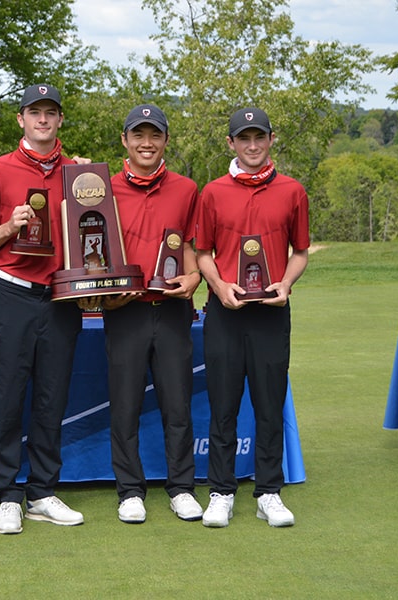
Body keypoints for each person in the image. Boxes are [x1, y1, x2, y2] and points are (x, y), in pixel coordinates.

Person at [0, 84, 90, 535]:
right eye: (34, 112)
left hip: (61, 298)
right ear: (20, 119)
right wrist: (10, 225)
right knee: (4, 398)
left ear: (60, 120)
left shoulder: (79, 174)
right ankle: (6, 494)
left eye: (51, 112)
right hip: (11, 293)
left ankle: (42, 491)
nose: (43, 120)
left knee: (51, 397)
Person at [196, 107, 309, 528]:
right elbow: (202, 253)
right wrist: (219, 286)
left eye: (259, 137)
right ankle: (222, 492)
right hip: (225, 312)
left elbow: (300, 252)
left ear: (271, 139)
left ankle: (269, 492)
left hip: (272, 313)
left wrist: (286, 283)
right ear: (231, 143)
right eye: (244, 138)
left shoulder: (293, 191)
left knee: (268, 405)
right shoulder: (213, 193)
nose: (253, 145)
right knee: (222, 407)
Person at [99, 104, 203, 524]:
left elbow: (195, 245)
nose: (147, 143)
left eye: (154, 135)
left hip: (174, 309)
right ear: (124, 140)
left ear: (165, 141)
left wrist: (195, 277)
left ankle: (181, 488)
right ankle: (130, 491)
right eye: (138, 135)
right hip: (125, 312)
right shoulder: (101, 188)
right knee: (124, 406)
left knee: (177, 404)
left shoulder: (186, 188)